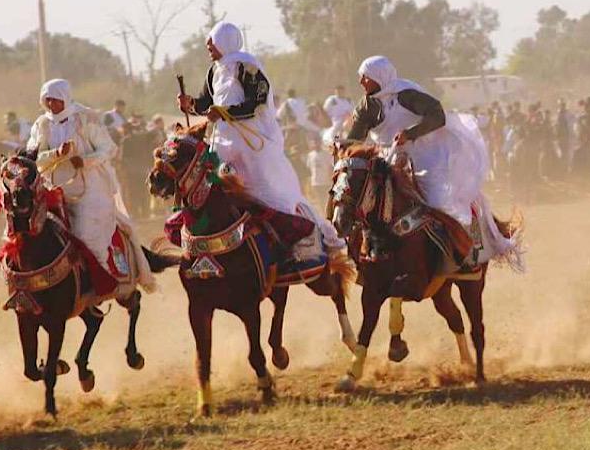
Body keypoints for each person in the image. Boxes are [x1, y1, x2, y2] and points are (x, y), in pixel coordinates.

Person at [176, 21, 348, 261]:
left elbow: (256, 103)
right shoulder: (214, 71)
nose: (208, 46)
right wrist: (190, 104)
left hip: (251, 141)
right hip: (222, 142)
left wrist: (223, 112)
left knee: (267, 191)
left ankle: (301, 239)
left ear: (224, 40)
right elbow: (206, 104)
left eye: (211, 41)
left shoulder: (248, 67)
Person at [344, 55, 517, 270]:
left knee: (438, 200)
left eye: (365, 77)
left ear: (380, 77)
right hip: (386, 158)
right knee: (354, 197)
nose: (361, 82)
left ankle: (462, 251)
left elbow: (438, 115)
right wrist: (343, 147)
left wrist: (410, 134)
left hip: (425, 154)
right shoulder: (365, 106)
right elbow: (355, 138)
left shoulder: (406, 95)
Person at [27, 79, 156, 292]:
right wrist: (56, 154)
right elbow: (34, 157)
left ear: (65, 98)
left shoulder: (86, 119)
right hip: (52, 188)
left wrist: (84, 160)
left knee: (85, 236)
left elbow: (109, 149)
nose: (51, 104)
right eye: (47, 100)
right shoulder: (41, 124)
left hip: (90, 188)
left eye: (55, 99)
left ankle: (99, 284)